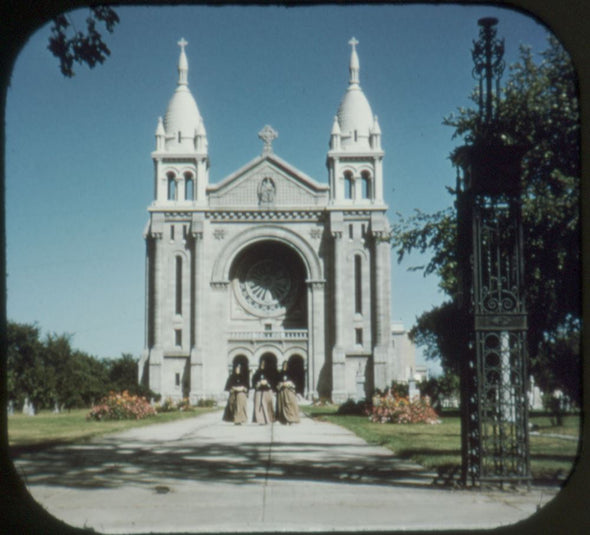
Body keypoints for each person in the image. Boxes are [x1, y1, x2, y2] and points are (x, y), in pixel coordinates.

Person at [251, 359, 275, 424]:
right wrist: (258, 383)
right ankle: (261, 420)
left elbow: (272, 382)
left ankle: (268, 419)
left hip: (266, 391)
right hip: (259, 391)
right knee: (259, 406)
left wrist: (267, 383)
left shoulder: (269, 373)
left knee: (267, 405)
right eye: (261, 364)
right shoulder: (257, 373)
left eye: (264, 364)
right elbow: (254, 381)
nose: (262, 365)